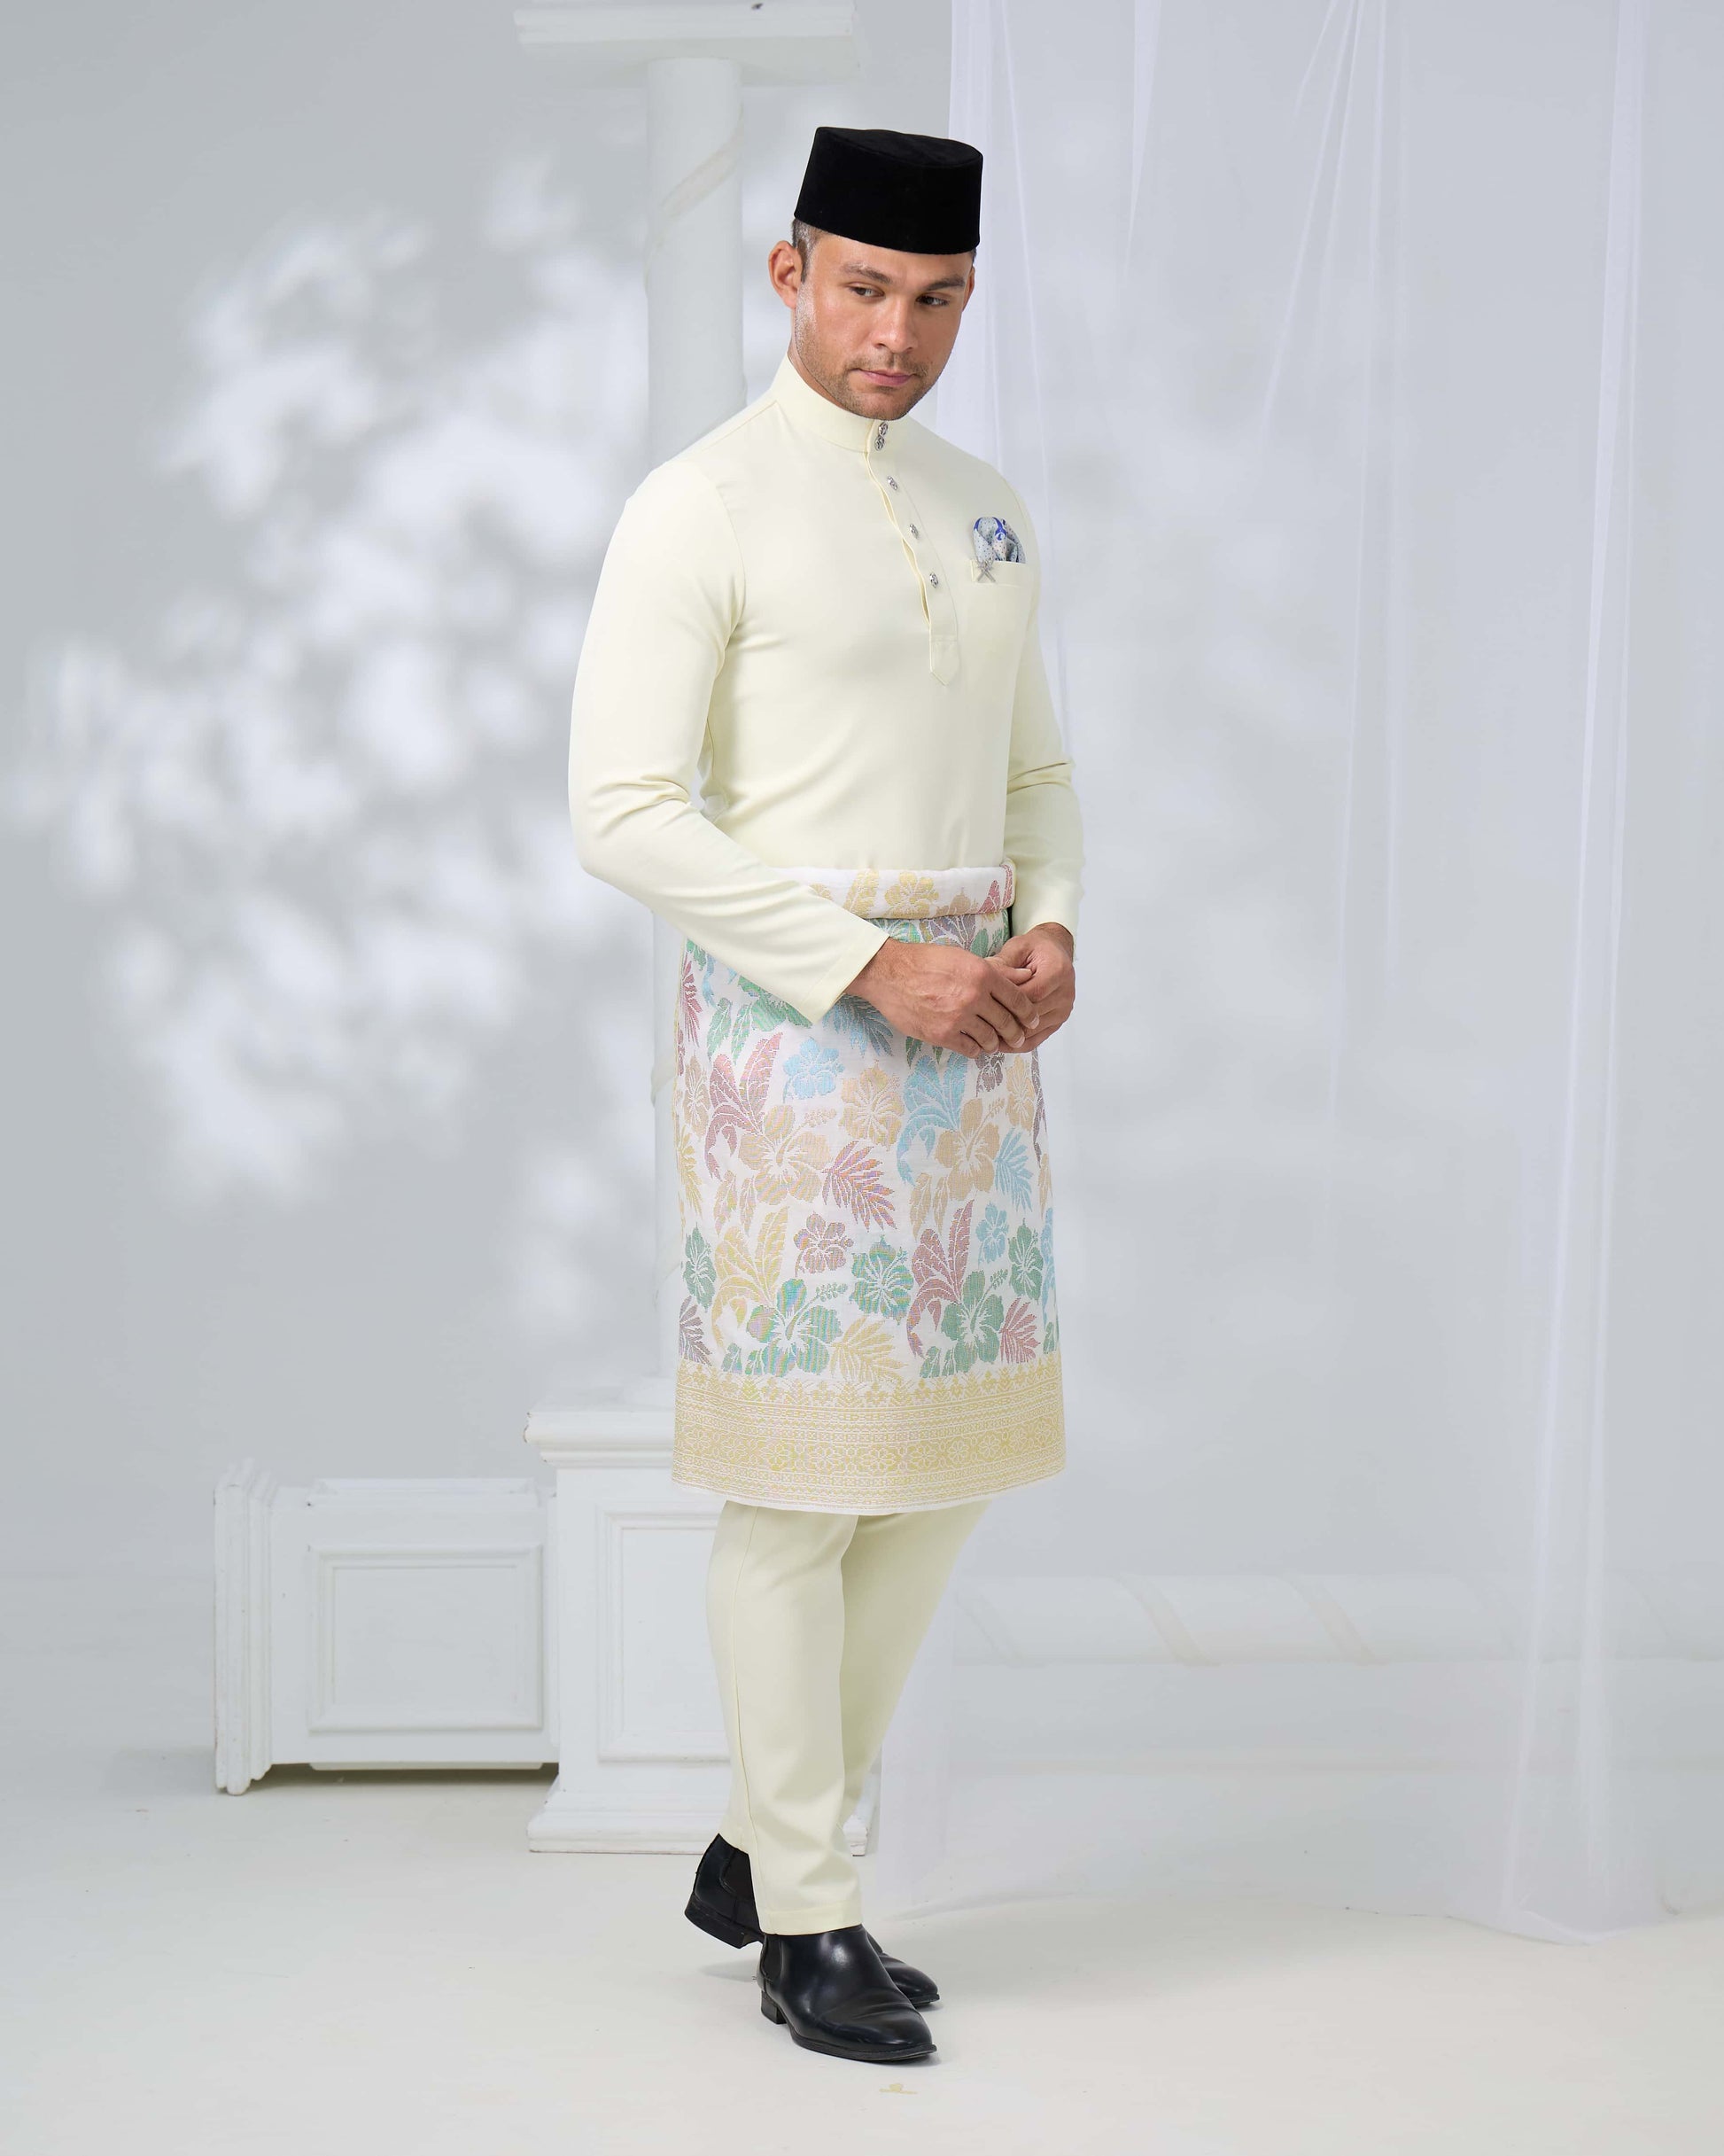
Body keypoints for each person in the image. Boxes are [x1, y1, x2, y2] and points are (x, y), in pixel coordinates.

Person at [568, 124, 1083, 2065]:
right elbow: (621, 810)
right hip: (795, 1044)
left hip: (975, 1040)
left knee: (941, 1466)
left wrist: (1050, 925)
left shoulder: (985, 510)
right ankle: (807, 1910)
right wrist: (872, 963)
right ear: (789, 272)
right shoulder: (695, 506)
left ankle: (758, 1840)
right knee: (802, 1488)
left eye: (936, 299)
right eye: (865, 288)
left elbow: (1035, 776)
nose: (897, 334)